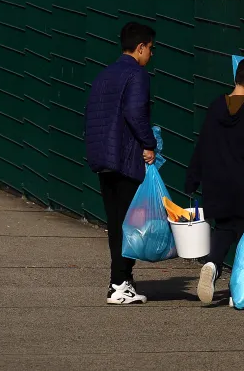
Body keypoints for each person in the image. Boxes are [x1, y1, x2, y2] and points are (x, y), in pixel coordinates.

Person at [185, 57, 244, 304]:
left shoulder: (215, 107)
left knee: (223, 229)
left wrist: (193, 178)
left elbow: (202, 145)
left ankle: (212, 265)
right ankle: (239, 290)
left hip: (216, 185)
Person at [85, 22, 157, 305]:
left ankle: (120, 281)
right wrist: (149, 143)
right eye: (150, 49)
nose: (151, 54)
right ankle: (119, 282)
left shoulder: (104, 75)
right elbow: (135, 113)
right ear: (140, 48)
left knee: (116, 222)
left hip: (104, 156)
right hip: (126, 157)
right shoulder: (137, 74)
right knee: (130, 223)